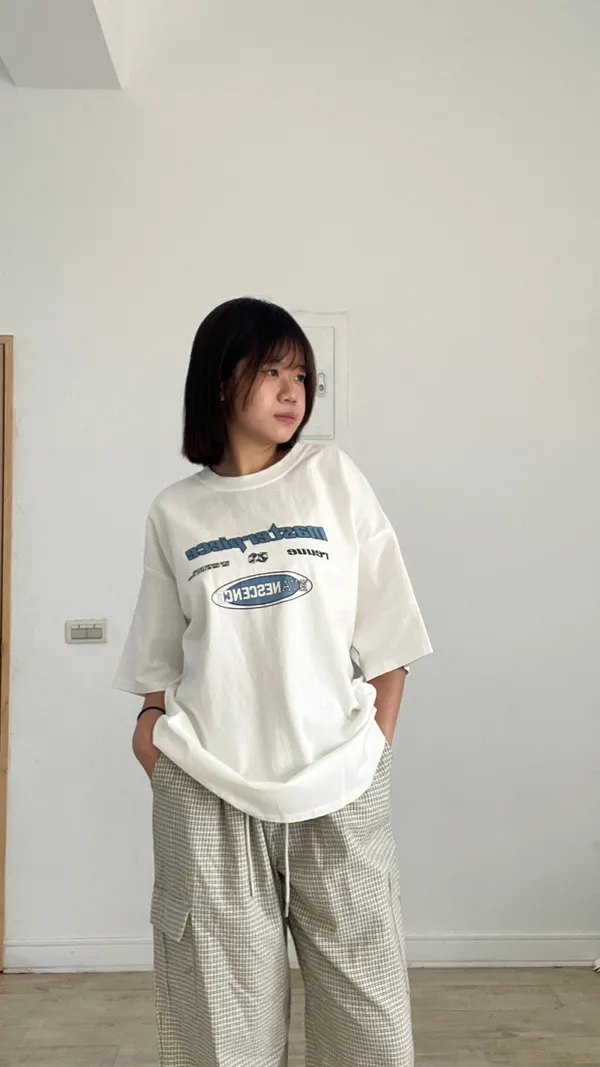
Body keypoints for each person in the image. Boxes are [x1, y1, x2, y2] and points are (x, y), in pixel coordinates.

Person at [113, 296, 433, 1067]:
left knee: (371, 1032)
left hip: (340, 781)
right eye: (271, 372)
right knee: (224, 1038)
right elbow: (158, 657)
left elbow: (390, 632)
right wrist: (153, 740)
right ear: (222, 381)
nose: (293, 391)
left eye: (301, 375)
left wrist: (375, 748)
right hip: (210, 791)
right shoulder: (175, 511)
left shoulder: (333, 478)